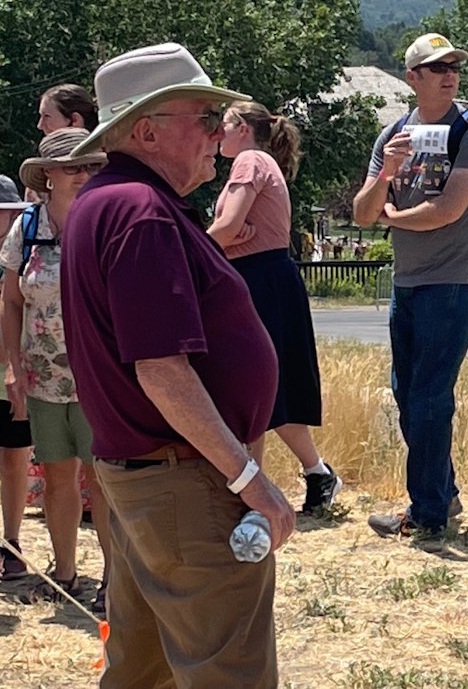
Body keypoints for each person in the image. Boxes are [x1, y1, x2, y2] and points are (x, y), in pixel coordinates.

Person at [60, 42, 295, 687]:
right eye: (204, 118)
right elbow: (161, 370)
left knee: (142, 671)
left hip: (143, 481)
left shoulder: (106, 202)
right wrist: (249, 477)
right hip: (183, 483)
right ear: (147, 130)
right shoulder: (140, 211)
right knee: (228, 672)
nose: (217, 135)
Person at [353, 32, 468, 538]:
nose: (449, 74)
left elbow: (448, 210)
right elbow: (363, 214)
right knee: (407, 392)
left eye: (453, 65)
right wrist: (386, 174)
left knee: (431, 394)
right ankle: (442, 495)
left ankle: (428, 513)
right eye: (436, 68)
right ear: (413, 77)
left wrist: (394, 216)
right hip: (408, 281)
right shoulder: (393, 134)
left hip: (453, 280)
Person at [208, 100, 342, 515]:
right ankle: (310, 474)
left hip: (258, 279)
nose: (216, 132)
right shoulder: (262, 161)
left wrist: (195, 248)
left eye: (223, 124)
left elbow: (229, 227)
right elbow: (231, 230)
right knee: (265, 386)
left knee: (254, 385)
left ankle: (253, 492)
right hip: (264, 278)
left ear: (243, 128)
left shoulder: (249, 160)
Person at [0, 130, 110, 611]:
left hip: (99, 377)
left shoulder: (105, 221)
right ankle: (66, 573)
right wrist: (12, 367)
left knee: (102, 477)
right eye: (72, 166)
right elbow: (10, 301)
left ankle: (113, 577)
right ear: (47, 175)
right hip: (42, 375)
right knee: (57, 476)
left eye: (89, 165)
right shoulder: (26, 228)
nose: (83, 174)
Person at [0, 177, 32, 583]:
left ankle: (11, 544)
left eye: (9, 211)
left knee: (14, 458)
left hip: (16, 371)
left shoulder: (24, 253)